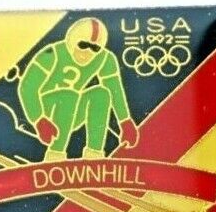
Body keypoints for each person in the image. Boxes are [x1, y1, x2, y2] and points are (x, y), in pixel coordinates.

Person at [18, 17, 139, 161]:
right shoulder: (52, 54)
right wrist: (39, 120)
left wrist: (125, 122)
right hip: (45, 113)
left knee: (101, 94)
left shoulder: (105, 59)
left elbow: (115, 90)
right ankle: (55, 154)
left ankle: (94, 155)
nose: (88, 52)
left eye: (94, 48)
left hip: (72, 113)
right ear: (72, 41)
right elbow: (27, 88)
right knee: (68, 95)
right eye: (83, 45)